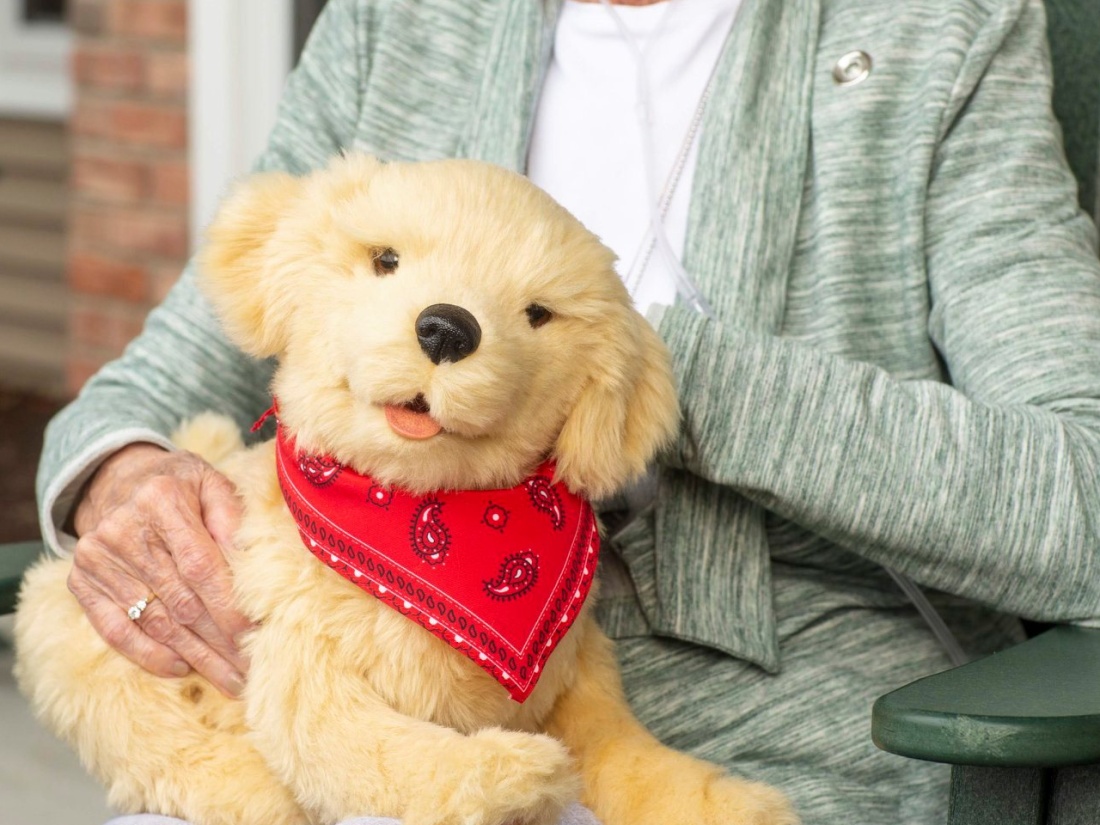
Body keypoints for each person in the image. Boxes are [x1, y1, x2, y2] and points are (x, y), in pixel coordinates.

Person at [33, 0, 1100, 821]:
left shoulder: (930, 30)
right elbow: (176, 366)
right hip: (366, 681)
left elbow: (1079, 501)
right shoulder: (408, 21)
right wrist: (122, 475)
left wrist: (656, 376)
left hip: (760, 712)